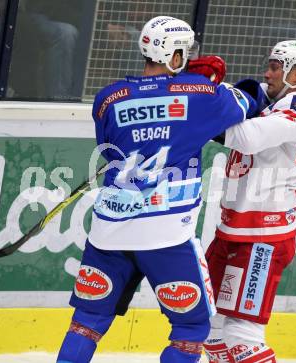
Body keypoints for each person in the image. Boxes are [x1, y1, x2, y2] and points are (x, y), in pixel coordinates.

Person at [57, 16, 261, 363]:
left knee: (87, 321)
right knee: (191, 328)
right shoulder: (200, 96)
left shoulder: (108, 98)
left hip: (109, 231)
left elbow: (107, 148)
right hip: (166, 236)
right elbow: (251, 99)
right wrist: (210, 83)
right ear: (175, 55)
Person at [203, 40, 296, 363]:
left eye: (275, 67)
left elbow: (246, 137)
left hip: (262, 240)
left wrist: (197, 115)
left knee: (243, 337)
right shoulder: (269, 102)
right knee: (208, 326)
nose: (266, 72)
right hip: (232, 231)